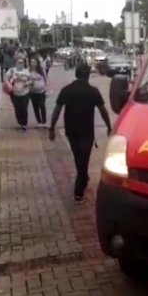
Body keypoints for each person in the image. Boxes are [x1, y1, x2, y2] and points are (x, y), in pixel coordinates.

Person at [49, 64, 112, 203]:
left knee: (79, 157)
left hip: (71, 131)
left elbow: (57, 110)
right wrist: (109, 126)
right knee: (84, 160)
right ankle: (79, 191)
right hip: (86, 132)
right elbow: (103, 111)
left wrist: (51, 128)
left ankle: (83, 177)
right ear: (87, 75)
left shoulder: (67, 90)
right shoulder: (93, 91)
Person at [4, 58, 31, 130]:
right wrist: (9, 84)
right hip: (15, 93)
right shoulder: (12, 70)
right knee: (17, 108)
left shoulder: (27, 71)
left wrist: (27, 83)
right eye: (19, 62)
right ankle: (20, 123)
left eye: (22, 62)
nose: (20, 64)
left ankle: (24, 124)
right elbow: (5, 78)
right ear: (16, 63)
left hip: (25, 92)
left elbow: (31, 80)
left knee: (24, 109)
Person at [28, 57, 48, 128]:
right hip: (33, 91)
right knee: (35, 106)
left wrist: (46, 87)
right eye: (31, 62)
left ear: (37, 63)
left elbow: (45, 78)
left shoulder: (41, 70)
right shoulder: (29, 71)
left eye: (34, 62)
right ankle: (39, 122)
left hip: (41, 91)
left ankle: (44, 122)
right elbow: (27, 79)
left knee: (42, 105)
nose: (33, 63)